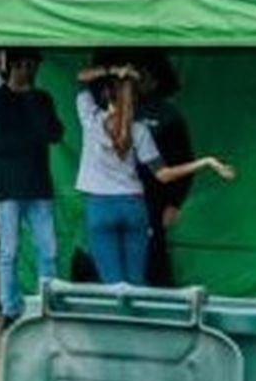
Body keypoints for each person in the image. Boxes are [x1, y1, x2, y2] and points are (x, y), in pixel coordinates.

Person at [75, 63, 234, 285]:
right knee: (137, 282)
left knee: (112, 285)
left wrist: (114, 71)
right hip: (133, 206)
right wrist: (205, 162)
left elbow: (82, 77)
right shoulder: (139, 130)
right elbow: (163, 175)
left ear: (104, 95)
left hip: (100, 206)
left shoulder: (90, 120)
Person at [0, 49, 63, 328]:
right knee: (9, 252)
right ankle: (9, 309)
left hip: (39, 185)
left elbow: (54, 133)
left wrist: (30, 101)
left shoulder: (41, 99)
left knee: (49, 250)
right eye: (27, 66)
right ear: (14, 67)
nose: (31, 72)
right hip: (8, 188)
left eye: (35, 66)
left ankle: (46, 306)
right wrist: (33, 136)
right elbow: (1, 143)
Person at [130, 52, 194, 286]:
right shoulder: (124, 107)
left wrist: (174, 203)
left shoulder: (169, 115)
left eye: (142, 76)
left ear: (155, 80)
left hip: (155, 195)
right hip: (123, 191)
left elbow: (184, 161)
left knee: (153, 249)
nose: (137, 81)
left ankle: (163, 299)